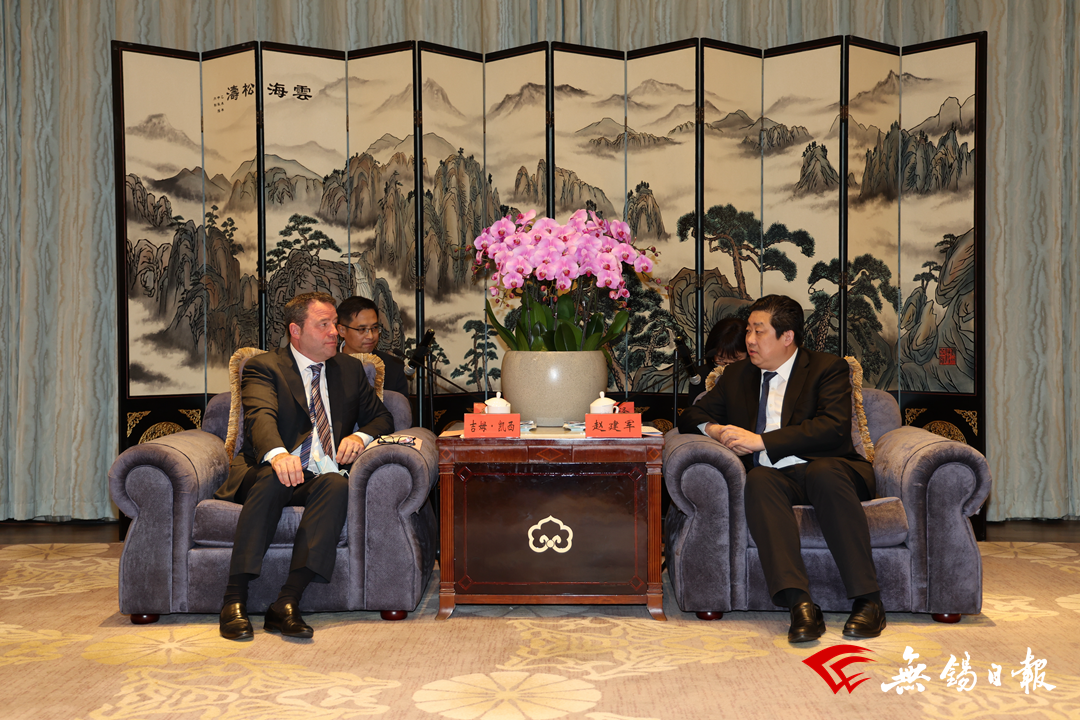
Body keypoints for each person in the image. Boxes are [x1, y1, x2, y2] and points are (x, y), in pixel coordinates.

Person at [678, 294, 884, 643]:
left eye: (759, 331)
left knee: (823, 474)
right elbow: (692, 415)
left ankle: (869, 600)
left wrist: (762, 441)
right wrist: (715, 430)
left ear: (787, 336)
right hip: (776, 477)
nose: (749, 340)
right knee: (759, 480)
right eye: (748, 330)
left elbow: (832, 427)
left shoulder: (826, 368)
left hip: (831, 469)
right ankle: (800, 604)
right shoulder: (737, 375)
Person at [216, 292, 394, 641]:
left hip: (319, 473)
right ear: (295, 330)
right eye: (324, 324)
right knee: (275, 478)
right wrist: (278, 454)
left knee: (337, 484)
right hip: (266, 471)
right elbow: (260, 417)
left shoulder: (349, 369)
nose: (335, 333)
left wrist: (360, 437)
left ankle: (287, 601)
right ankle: (233, 599)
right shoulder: (265, 367)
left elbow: (382, 418)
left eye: (335, 324)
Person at [336, 296, 410, 397]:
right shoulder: (326, 361)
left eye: (374, 328)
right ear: (342, 330)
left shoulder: (393, 367)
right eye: (362, 329)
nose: (371, 336)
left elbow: (401, 406)